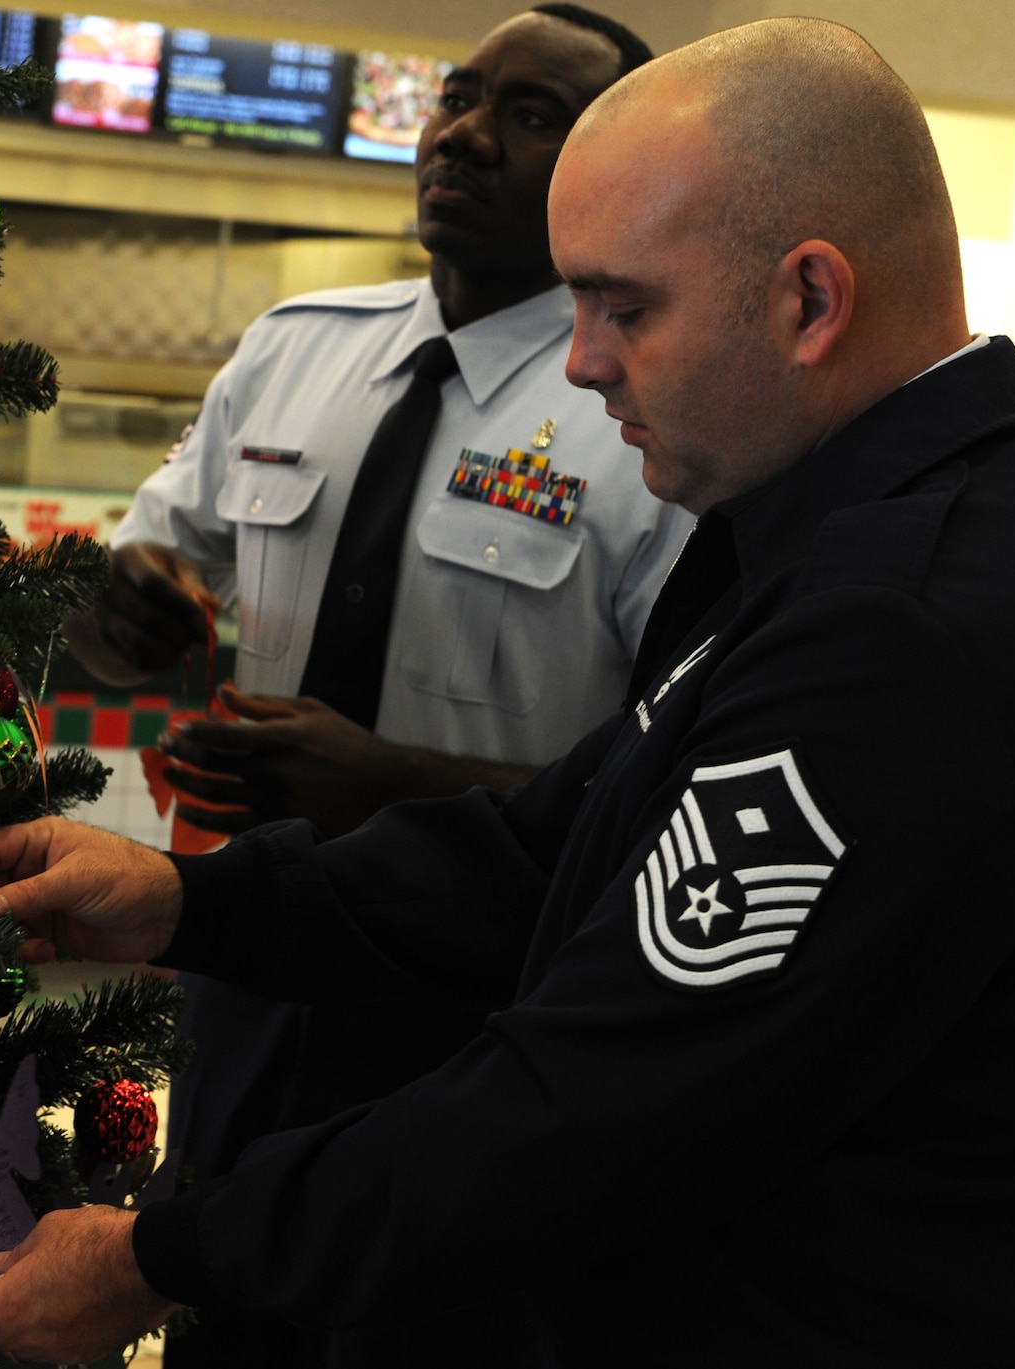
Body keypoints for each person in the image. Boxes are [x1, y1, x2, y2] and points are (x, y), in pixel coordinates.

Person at [0, 17, 1015, 1365]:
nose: (582, 361)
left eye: (625, 307)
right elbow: (562, 842)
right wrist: (194, 902)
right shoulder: (842, 527)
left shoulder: (897, 622)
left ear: (809, 300)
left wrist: (163, 1254)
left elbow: (600, 1104)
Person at [70, 13, 687, 1361]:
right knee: (224, 1311)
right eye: (460, 97)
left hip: (487, 1015)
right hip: (246, 971)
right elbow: (120, 635)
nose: (464, 131)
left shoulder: (654, 415)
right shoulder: (295, 349)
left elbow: (668, 795)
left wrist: (392, 783)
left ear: (622, 171)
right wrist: (119, 616)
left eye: (530, 115)